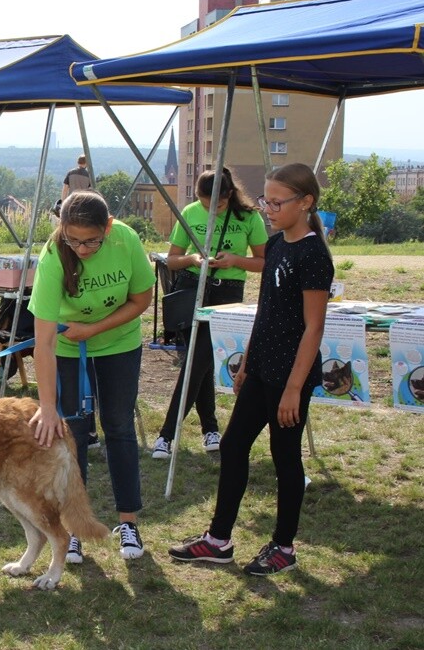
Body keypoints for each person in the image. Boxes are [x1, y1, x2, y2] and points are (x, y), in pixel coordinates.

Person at [168, 163, 334, 577]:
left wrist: (295, 387)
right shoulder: (277, 245)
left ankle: (284, 547)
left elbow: (314, 327)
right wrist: (247, 362)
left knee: (285, 458)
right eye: (265, 200)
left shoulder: (313, 255)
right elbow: (267, 312)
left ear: (306, 202)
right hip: (261, 370)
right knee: (233, 445)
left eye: (277, 202)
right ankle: (218, 540)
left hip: (290, 378)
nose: (268, 209)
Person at [28, 190, 155, 564]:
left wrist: (95, 328)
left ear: (108, 227)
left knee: (118, 427)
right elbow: (44, 343)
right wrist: (47, 406)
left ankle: (128, 521)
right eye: (73, 240)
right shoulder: (52, 258)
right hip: (68, 352)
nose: (82, 249)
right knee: (71, 436)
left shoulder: (126, 239)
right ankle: (72, 530)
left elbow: (141, 299)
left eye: (91, 241)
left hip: (119, 345)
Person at [152, 167, 267, 459]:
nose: (209, 210)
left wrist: (236, 260)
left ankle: (167, 434)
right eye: (204, 204)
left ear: (229, 195)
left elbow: (264, 261)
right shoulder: (189, 212)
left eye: (215, 205)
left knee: (198, 361)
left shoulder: (250, 217)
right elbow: (173, 260)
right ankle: (209, 430)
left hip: (228, 291)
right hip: (193, 287)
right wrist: (192, 257)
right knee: (198, 363)